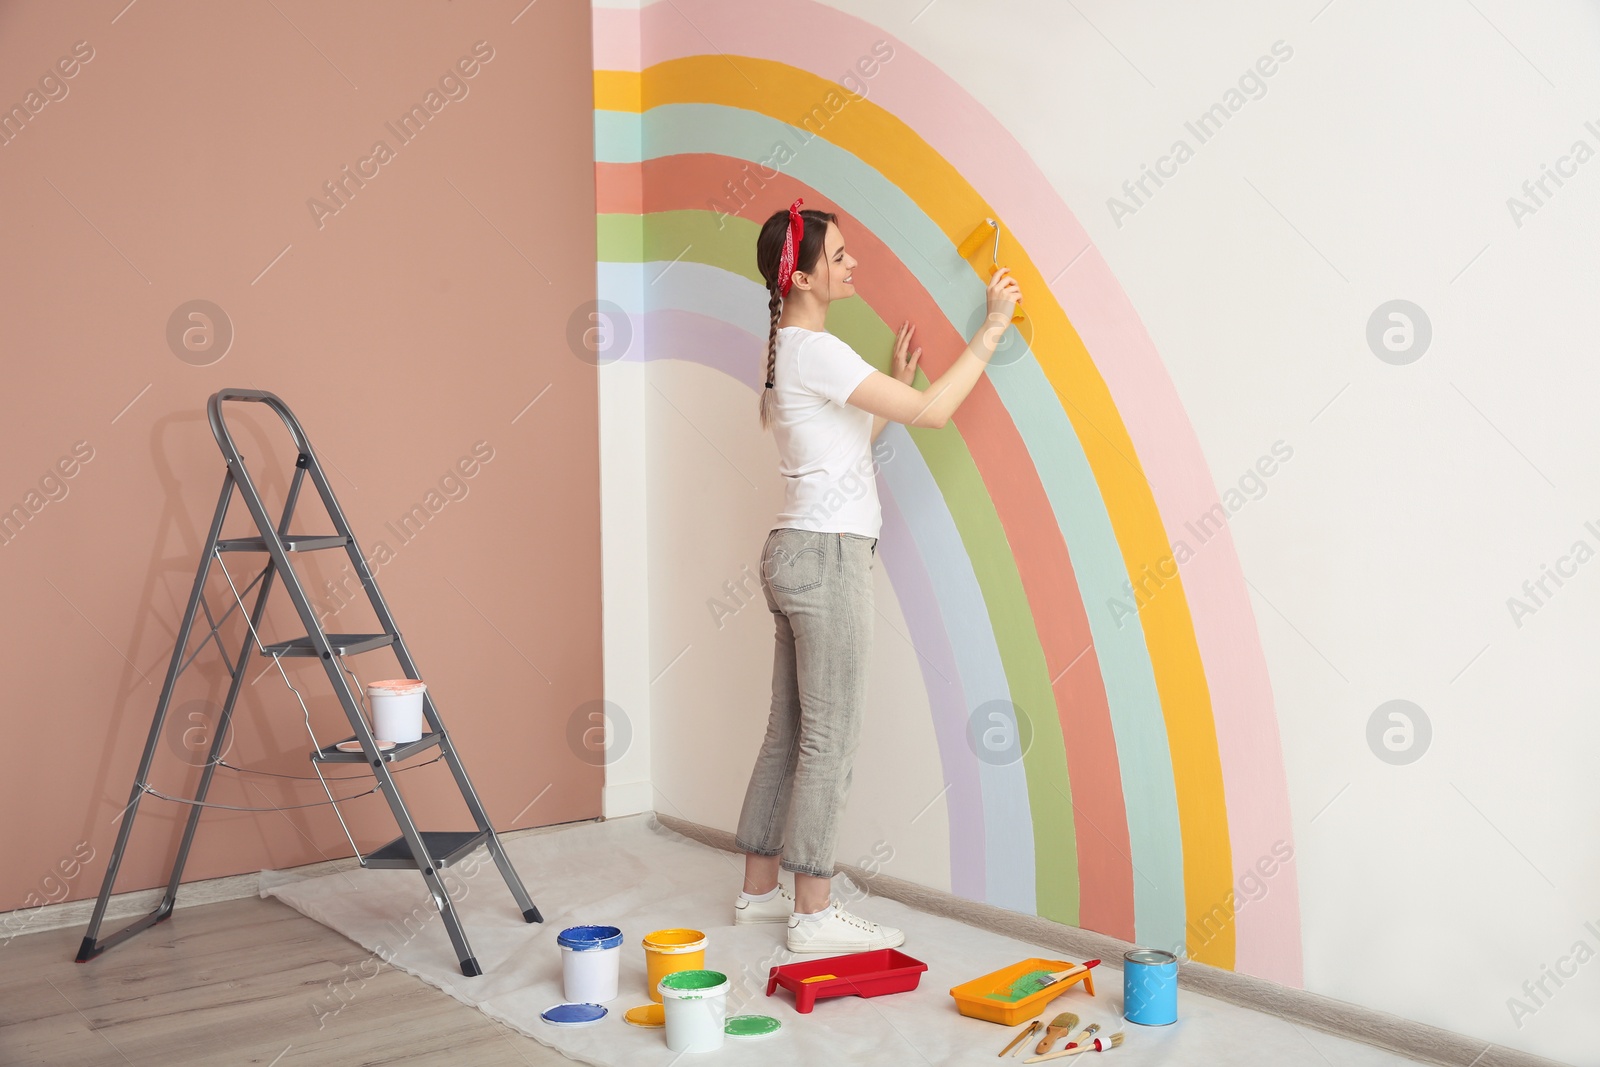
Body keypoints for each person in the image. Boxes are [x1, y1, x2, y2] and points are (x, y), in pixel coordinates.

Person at [732, 197, 1022, 953]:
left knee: (788, 730)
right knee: (832, 735)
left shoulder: (791, 354)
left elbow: (846, 444)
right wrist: (991, 329)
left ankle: (760, 895)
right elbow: (934, 412)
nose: (852, 264)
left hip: (795, 548)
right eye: (839, 256)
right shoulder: (817, 349)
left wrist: (890, 386)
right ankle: (815, 911)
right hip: (827, 558)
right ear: (800, 276)